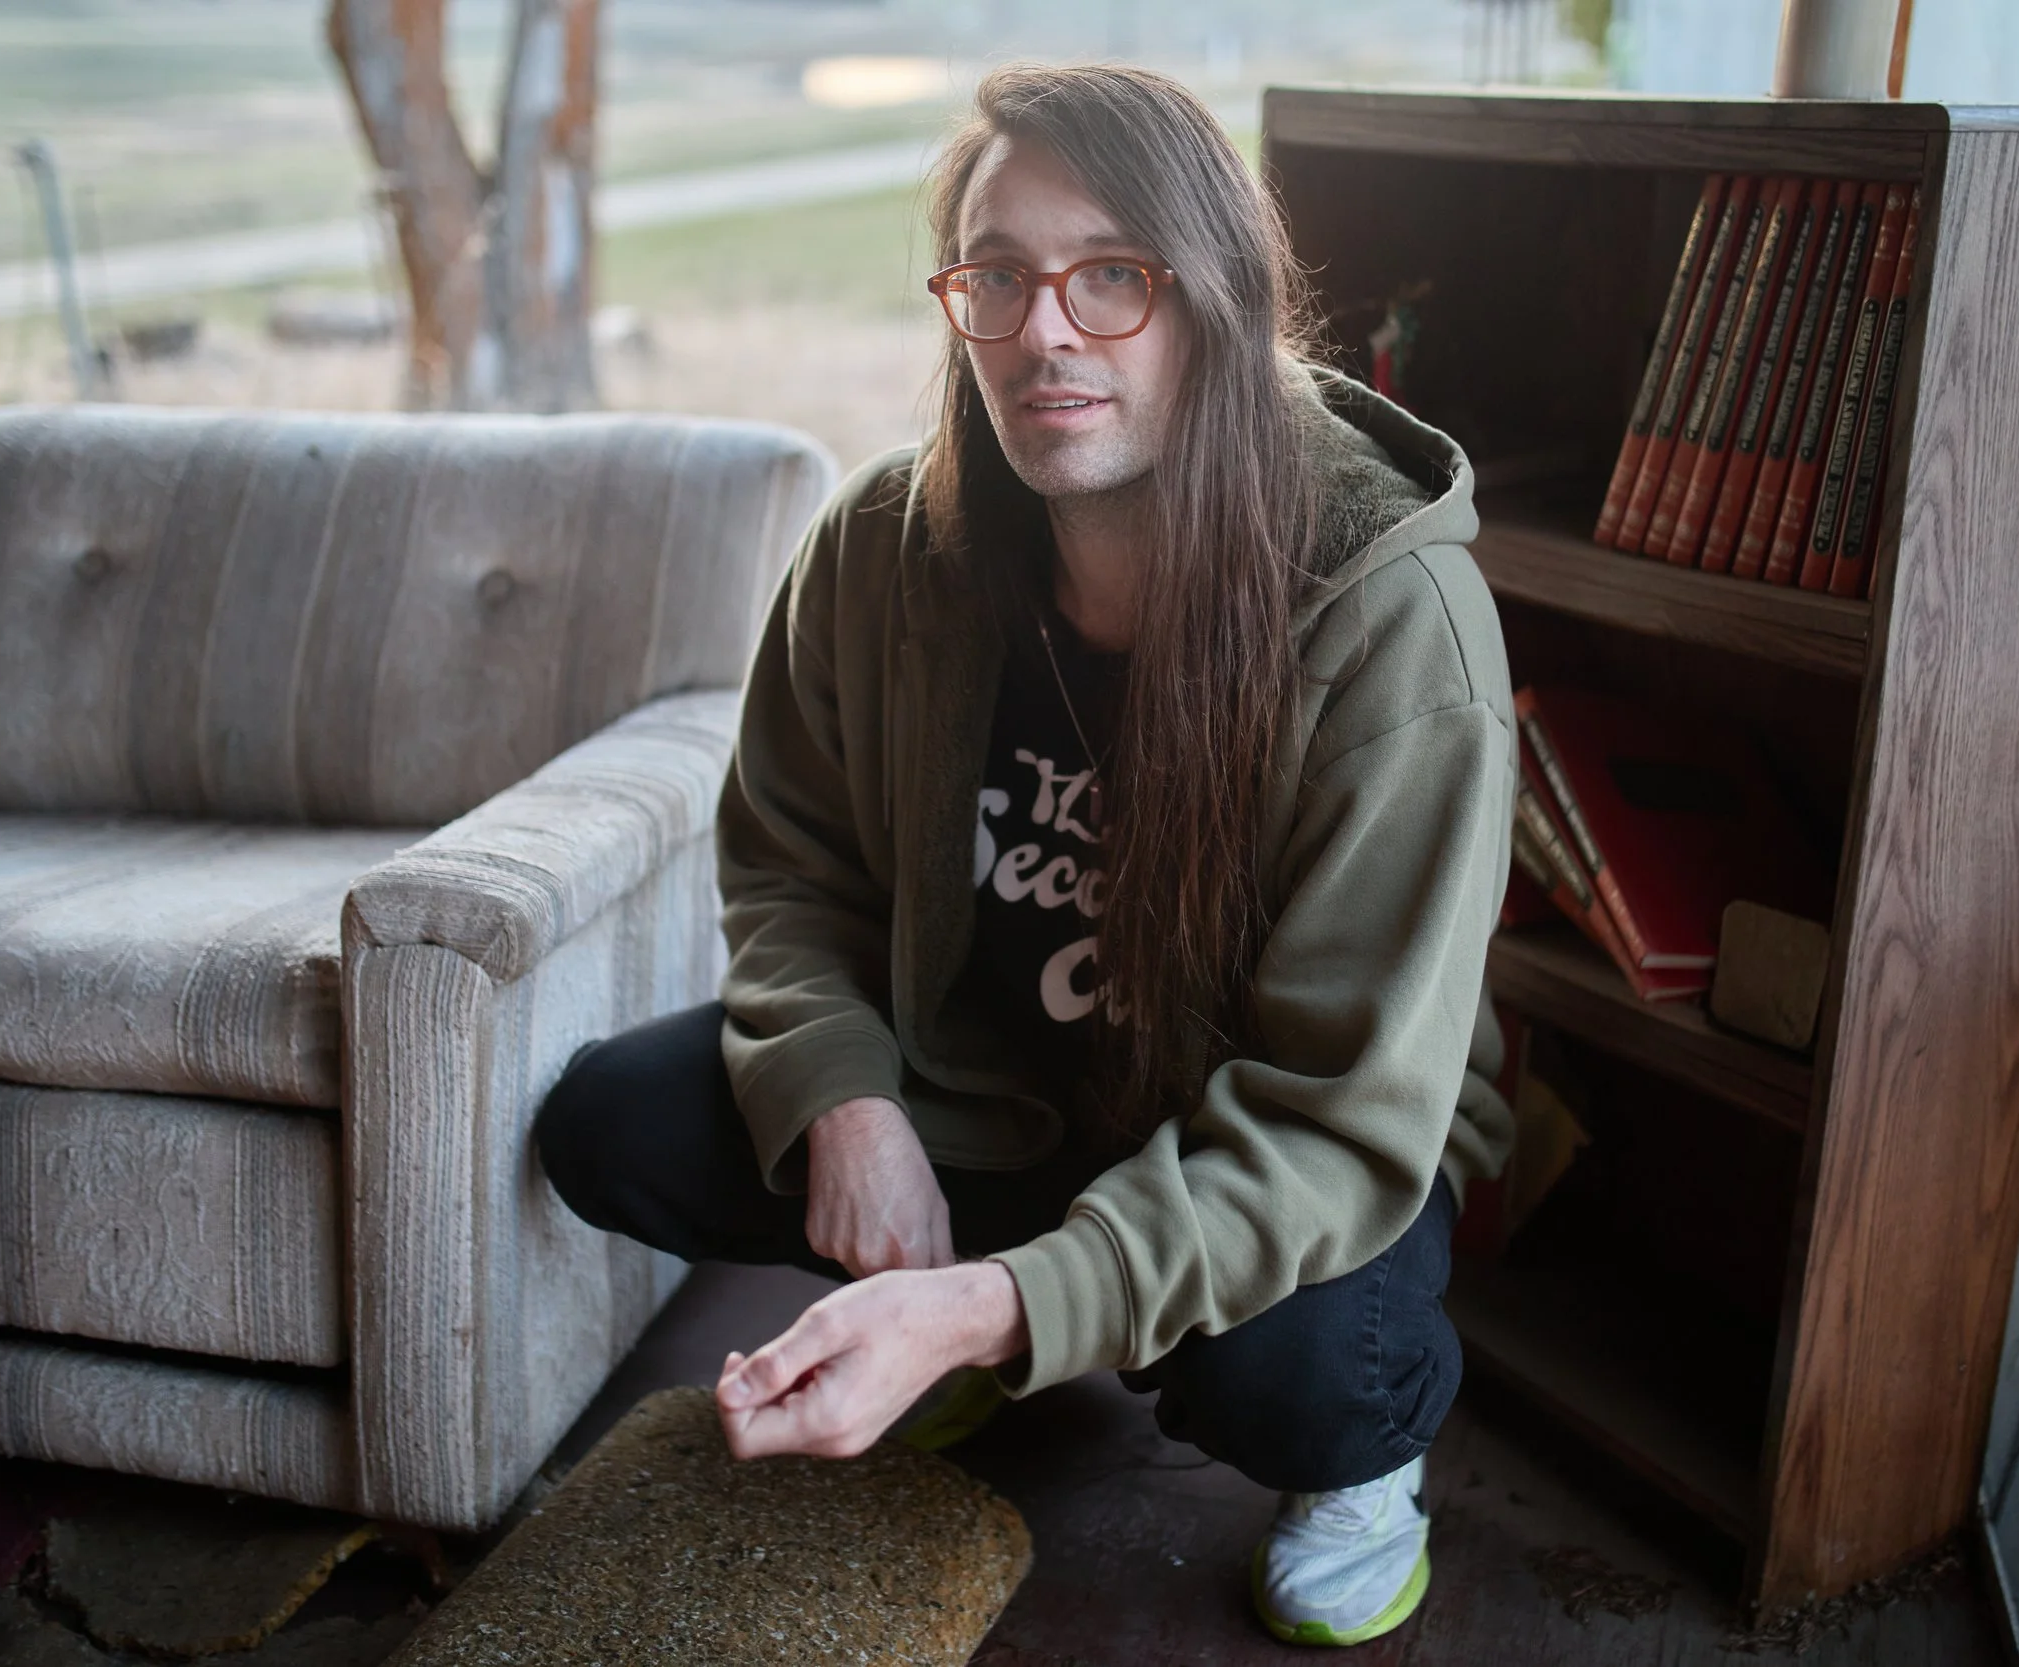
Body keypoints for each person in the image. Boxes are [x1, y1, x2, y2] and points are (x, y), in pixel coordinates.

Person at [535, 61, 1515, 1648]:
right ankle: (975, 1324)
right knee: (610, 1121)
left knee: (1288, 1373)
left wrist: (994, 1296)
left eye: (1112, 274)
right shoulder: (882, 545)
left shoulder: (1387, 622)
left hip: (1271, 1140)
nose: (1045, 329)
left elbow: (1339, 1118)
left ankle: (1352, 1451)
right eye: (999, 274)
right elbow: (792, 866)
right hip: (989, 1091)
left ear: (1216, 295)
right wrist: (847, 1101)